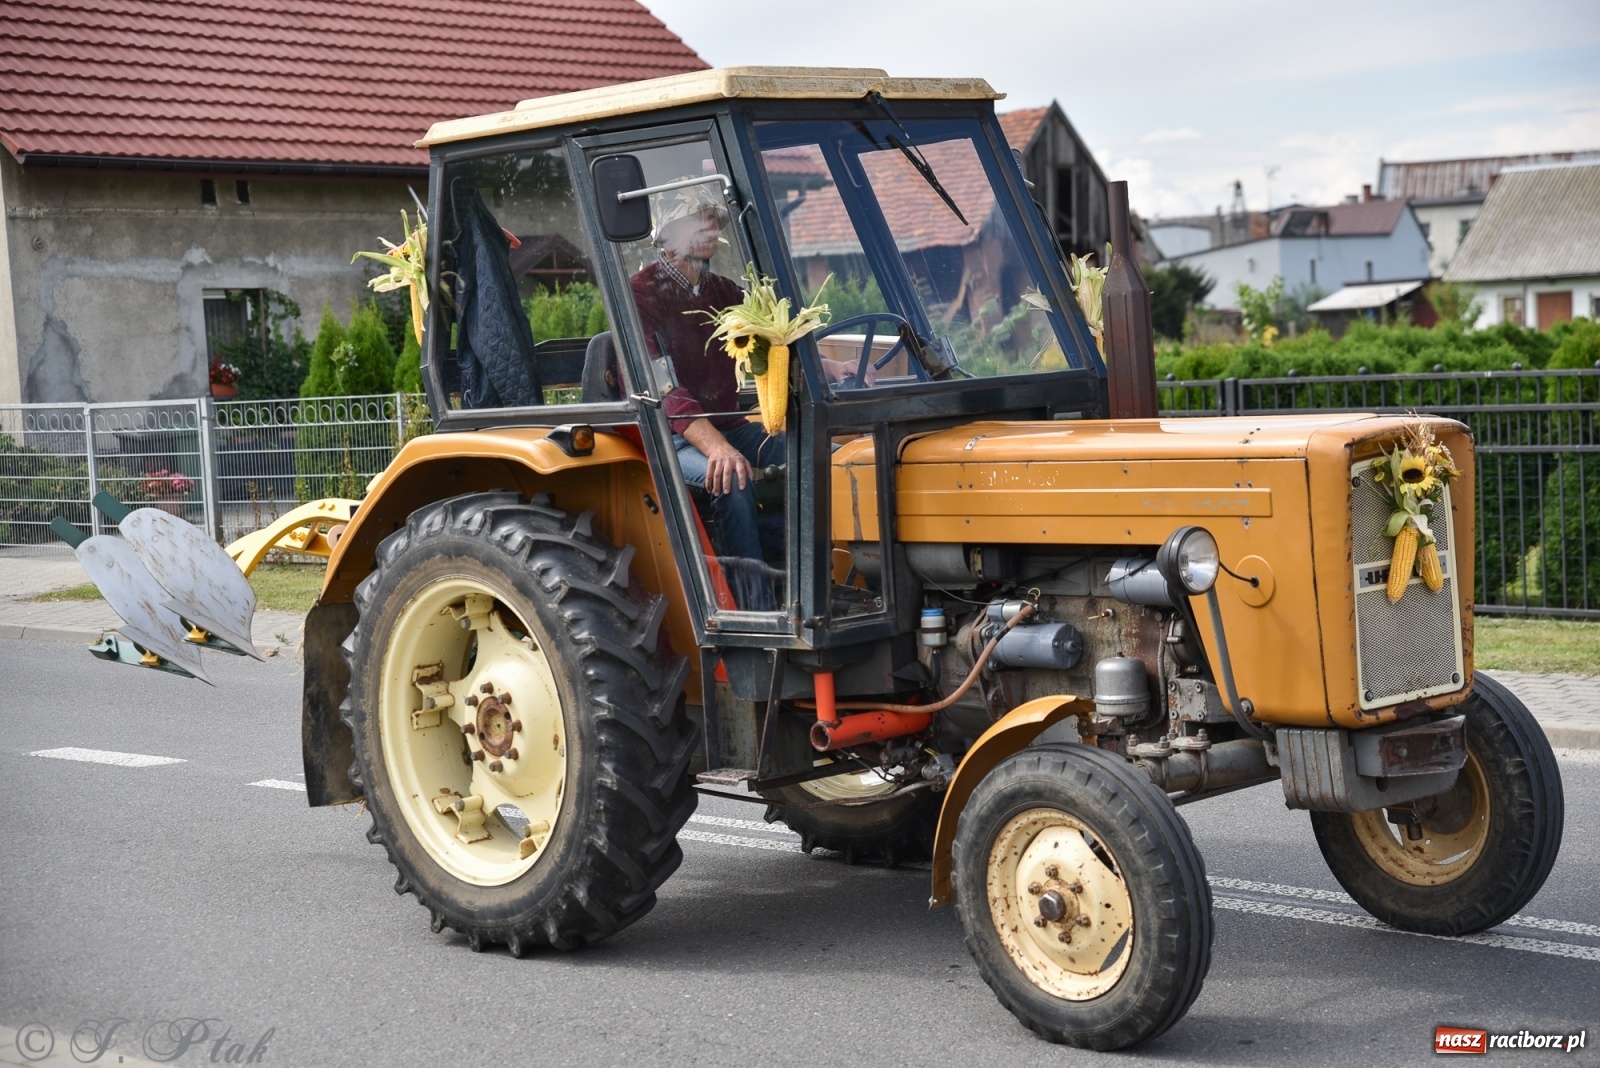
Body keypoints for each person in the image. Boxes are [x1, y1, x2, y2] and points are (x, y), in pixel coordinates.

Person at [629, 182, 864, 610]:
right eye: (699, 222)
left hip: (728, 425)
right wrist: (717, 448)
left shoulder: (723, 291)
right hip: (670, 437)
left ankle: (820, 586)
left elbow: (776, 339)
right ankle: (756, 611)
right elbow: (666, 390)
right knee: (731, 478)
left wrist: (829, 368)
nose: (711, 230)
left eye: (714, 221)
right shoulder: (640, 295)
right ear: (668, 232)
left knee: (820, 455)